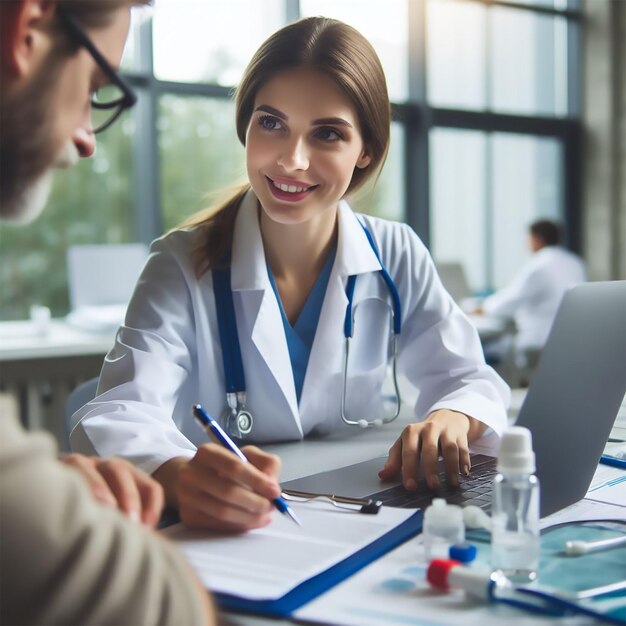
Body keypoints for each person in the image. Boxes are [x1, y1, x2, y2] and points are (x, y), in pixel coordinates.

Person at [72, 17, 510, 534]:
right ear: (246, 125)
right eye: (271, 123)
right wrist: (178, 473)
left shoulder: (396, 252)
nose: (292, 160)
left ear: (364, 149)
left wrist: (452, 417)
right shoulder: (180, 264)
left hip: (355, 514)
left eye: (327, 133)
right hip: (239, 528)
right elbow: (121, 410)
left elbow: (468, 377)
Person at [0, 1, 214, 623]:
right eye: (96, 87)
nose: (86, 140)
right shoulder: (183, 255)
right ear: (28, 29)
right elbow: (167, 609)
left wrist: (56, 492)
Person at [478, 219, 586, 369]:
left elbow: (512, 299)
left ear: (537, 239)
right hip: (571, 338)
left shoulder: (539, 265)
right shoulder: (575, 262)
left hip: (539, 340)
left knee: (488, 353)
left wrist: (484, 307)